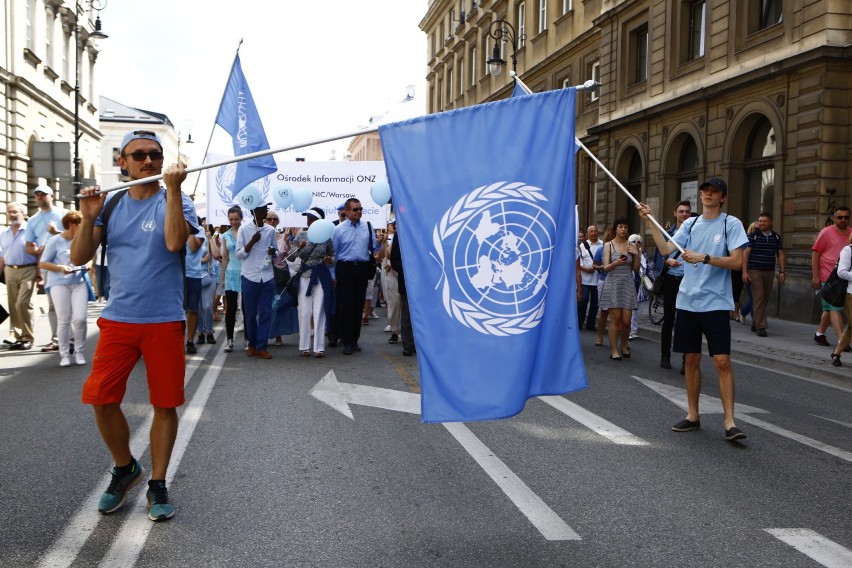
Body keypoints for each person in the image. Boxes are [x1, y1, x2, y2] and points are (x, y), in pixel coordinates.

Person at [71, 129, 199, 521]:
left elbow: (176, 243)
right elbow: (79, 257)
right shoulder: (109, 207)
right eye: (139, 155)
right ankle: (126, 467)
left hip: (163, 320)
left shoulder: (177, 200)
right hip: (119, 320)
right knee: (101, 397)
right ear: (121, 162)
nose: (149, 161)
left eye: (155, 155)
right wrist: (90, 215)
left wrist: (174, 190)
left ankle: (158, 483)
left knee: (165, 404)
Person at [638, 176, 749, 441]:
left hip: (716, 303)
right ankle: (692, 415)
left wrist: (705, 257)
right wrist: (649, 220)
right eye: (705, 191)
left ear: (723, 197)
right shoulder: (691, 223)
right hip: (687, 302)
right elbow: (666, 248)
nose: (708, 194)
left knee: (722, 360)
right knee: (690, 359)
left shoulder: (730, 223)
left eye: (714, 191)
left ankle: (730, 422)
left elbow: (736, 262)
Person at [331, 198, 385, 355]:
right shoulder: (339, 230)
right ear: (347, 211)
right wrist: (334, 275)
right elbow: (334, 254)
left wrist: (380, 242)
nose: (359, 212)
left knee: (358, 305)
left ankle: (354, 340)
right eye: (355, 209)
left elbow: (374, 247)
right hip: (345, 269)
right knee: (347, 305)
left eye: (360, 209)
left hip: (361, 269)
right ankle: (346, 341)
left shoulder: (367, 227)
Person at [39, 210, 89, 367]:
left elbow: (90, 256)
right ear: (72, 225)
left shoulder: (82, 240)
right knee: (64, 320)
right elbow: (43, 262)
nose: (83, 228)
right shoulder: (55, 241)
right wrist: (60, 268)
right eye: (80, 225)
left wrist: (88, 264)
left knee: (80, 319)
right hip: (59, 283)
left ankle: (80, 352)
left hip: (79, 281)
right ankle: (64, 354)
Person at [25, 185, 68, 352]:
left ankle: (71, 337)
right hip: (48, 266)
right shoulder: (33, 220)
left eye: (43, 194)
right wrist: (36, 250)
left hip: (68, 263)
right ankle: (57, 339)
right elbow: (29, 245)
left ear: (52, 195)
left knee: (69, 304)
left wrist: (57, 232)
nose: (40, 197)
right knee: (53, 305)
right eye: (37, 195)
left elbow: (76, 237)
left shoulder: (64, 214)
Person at [287, 207, 335, 357]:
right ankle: (304, 346)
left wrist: (329, 260)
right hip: (305, 275)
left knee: (319, 310)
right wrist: (299, 248)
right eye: (308, 217)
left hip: (321, 275)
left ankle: (319, 347)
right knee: (305, 311)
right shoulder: (301, 235)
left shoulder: (326, 237)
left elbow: (333, 257)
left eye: (312, 218)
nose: (309, 220)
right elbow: (290, 257)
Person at [236, 203, 277, 360]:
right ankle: (251, 344)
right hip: (249, 276)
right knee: (251, 313)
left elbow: (276, 251)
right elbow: (239, 254)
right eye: (260, 210)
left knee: (266, 313)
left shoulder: (271, 230)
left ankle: (262, 346)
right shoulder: (244, 229)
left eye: (265, 210)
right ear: (253, 212)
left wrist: (274, 252)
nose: (263, 212)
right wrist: (252, 242)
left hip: (267, 276)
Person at [654, 201, 691, 369]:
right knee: (669, 319)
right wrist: (667, 261)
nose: (684, 214)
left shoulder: (694, 233)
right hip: (671, 280)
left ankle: (686, 360)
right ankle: (665, 354)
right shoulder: (667, 233)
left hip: (688, 281)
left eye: (687, 212)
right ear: (675, 213)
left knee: (687, 321)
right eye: (681, 211)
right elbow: (658, 258)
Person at [598, 217, 640, 360]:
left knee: (627, 321)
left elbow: (635, 268)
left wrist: (637, 255)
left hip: (627, 283)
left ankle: (624, 345)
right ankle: (614, 350)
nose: (623, 230)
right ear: (615, 229)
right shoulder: (608, 245)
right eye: (621, 227)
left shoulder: (631, 245)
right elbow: (605, 268)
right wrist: (615, 262)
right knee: (615, 319)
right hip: (613, 283)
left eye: (626, 227)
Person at [811, 207, 851, 347]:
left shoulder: (851, 233)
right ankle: (842, 340)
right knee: (835, 307)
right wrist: (816, 276)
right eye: (840, 217)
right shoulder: (826, 232)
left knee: (829, 309)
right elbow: (816, 254)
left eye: (846, 217)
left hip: (845, 277)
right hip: (827, 277)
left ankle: (819, 334)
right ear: (834, 218)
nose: (843, 220)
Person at [0, 202, 38, 350]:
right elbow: (1, 256)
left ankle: (28, 337)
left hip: (28, 269)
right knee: (13, 304)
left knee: (22, 303)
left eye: (15, 212)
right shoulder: (4, 233)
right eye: (10, 212)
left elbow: (39, 251)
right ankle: (17, 336)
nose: (12, 214)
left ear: (23, 214)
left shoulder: (30, 230)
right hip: (9, 270)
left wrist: (40, 273)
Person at [742, 212, 786, 337]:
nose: (761, 223)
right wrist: (744, 272)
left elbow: (781, 254)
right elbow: (746, 254)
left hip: (769, 271)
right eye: (760, 221)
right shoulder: (753, 236)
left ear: (770, 222)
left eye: (764, 221)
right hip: (754, 270)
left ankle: (756, 322)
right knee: (758, 297)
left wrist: (782, 271)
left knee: (765, 298)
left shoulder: (776, 237)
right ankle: (761, 326)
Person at [219, 206, 243, 353]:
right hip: (231, 274)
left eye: (236, 219)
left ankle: (248, 340)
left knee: (247, 309)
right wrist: (222, 278)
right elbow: (225, 258)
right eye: (231, 219)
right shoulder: (225, 235)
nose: (234, 222)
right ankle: (229, 340)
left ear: (241, 218)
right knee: (230, 309)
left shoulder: (246, 232)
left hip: (246, 273)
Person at [389, 226, 415, 356]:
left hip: (425, 281)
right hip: (407, 280)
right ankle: (408, 344)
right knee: (407, 314)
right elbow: (394, 259)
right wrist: (407, 272)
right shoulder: (400, 235)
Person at [829, 232, 852, 366]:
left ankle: (836, 353)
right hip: (850, 294)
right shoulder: (848, 250)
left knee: (851, 327)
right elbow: (841, 272)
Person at [577, 225, 603, 331]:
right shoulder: (582, 246)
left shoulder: (603, 245)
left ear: (598, 232)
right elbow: (579, 262)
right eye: (591, 231)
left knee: (595, 303)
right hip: (585, 279)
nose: (594, 233)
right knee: (583, 301)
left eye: (595, 231)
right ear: (588, 234)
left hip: (598, 279)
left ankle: (591, 324)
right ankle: (579, 322)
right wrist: (585, 268)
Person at [183, 228, 205, 354]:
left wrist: (189, 228)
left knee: (192, 309)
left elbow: (193, 247)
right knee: (176, 310)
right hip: (176, 273)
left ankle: (190, 341)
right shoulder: (173, 224)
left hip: (193, 274)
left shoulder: (199, 230)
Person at [593, 227, 614, 347]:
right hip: (604, 280)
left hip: (618, 282)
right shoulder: (601, 249)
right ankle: (600, 336)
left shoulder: (623, 248)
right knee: (604, 311)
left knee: (617, 313)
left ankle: (616, 340)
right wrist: (603, 267)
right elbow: (594, 265)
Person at [629, 233, 652, 340]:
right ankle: (629, 330)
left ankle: (634, 330)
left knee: (639, 309)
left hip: (641, 285)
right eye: (634, 241)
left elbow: (648, 268)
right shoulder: (627, 254)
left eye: (638, 241)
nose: (636, 243)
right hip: (631, 283)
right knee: (631, 309)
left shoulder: (644, 255)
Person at [381, 220, 401, 344]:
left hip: (405, 274)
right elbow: (387, 255)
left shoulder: (411, 236)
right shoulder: (391, 238)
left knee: (406, 305)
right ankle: (394, 331)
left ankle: (407, 333)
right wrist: (384, 243)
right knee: (393, 303)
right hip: (392, 274)